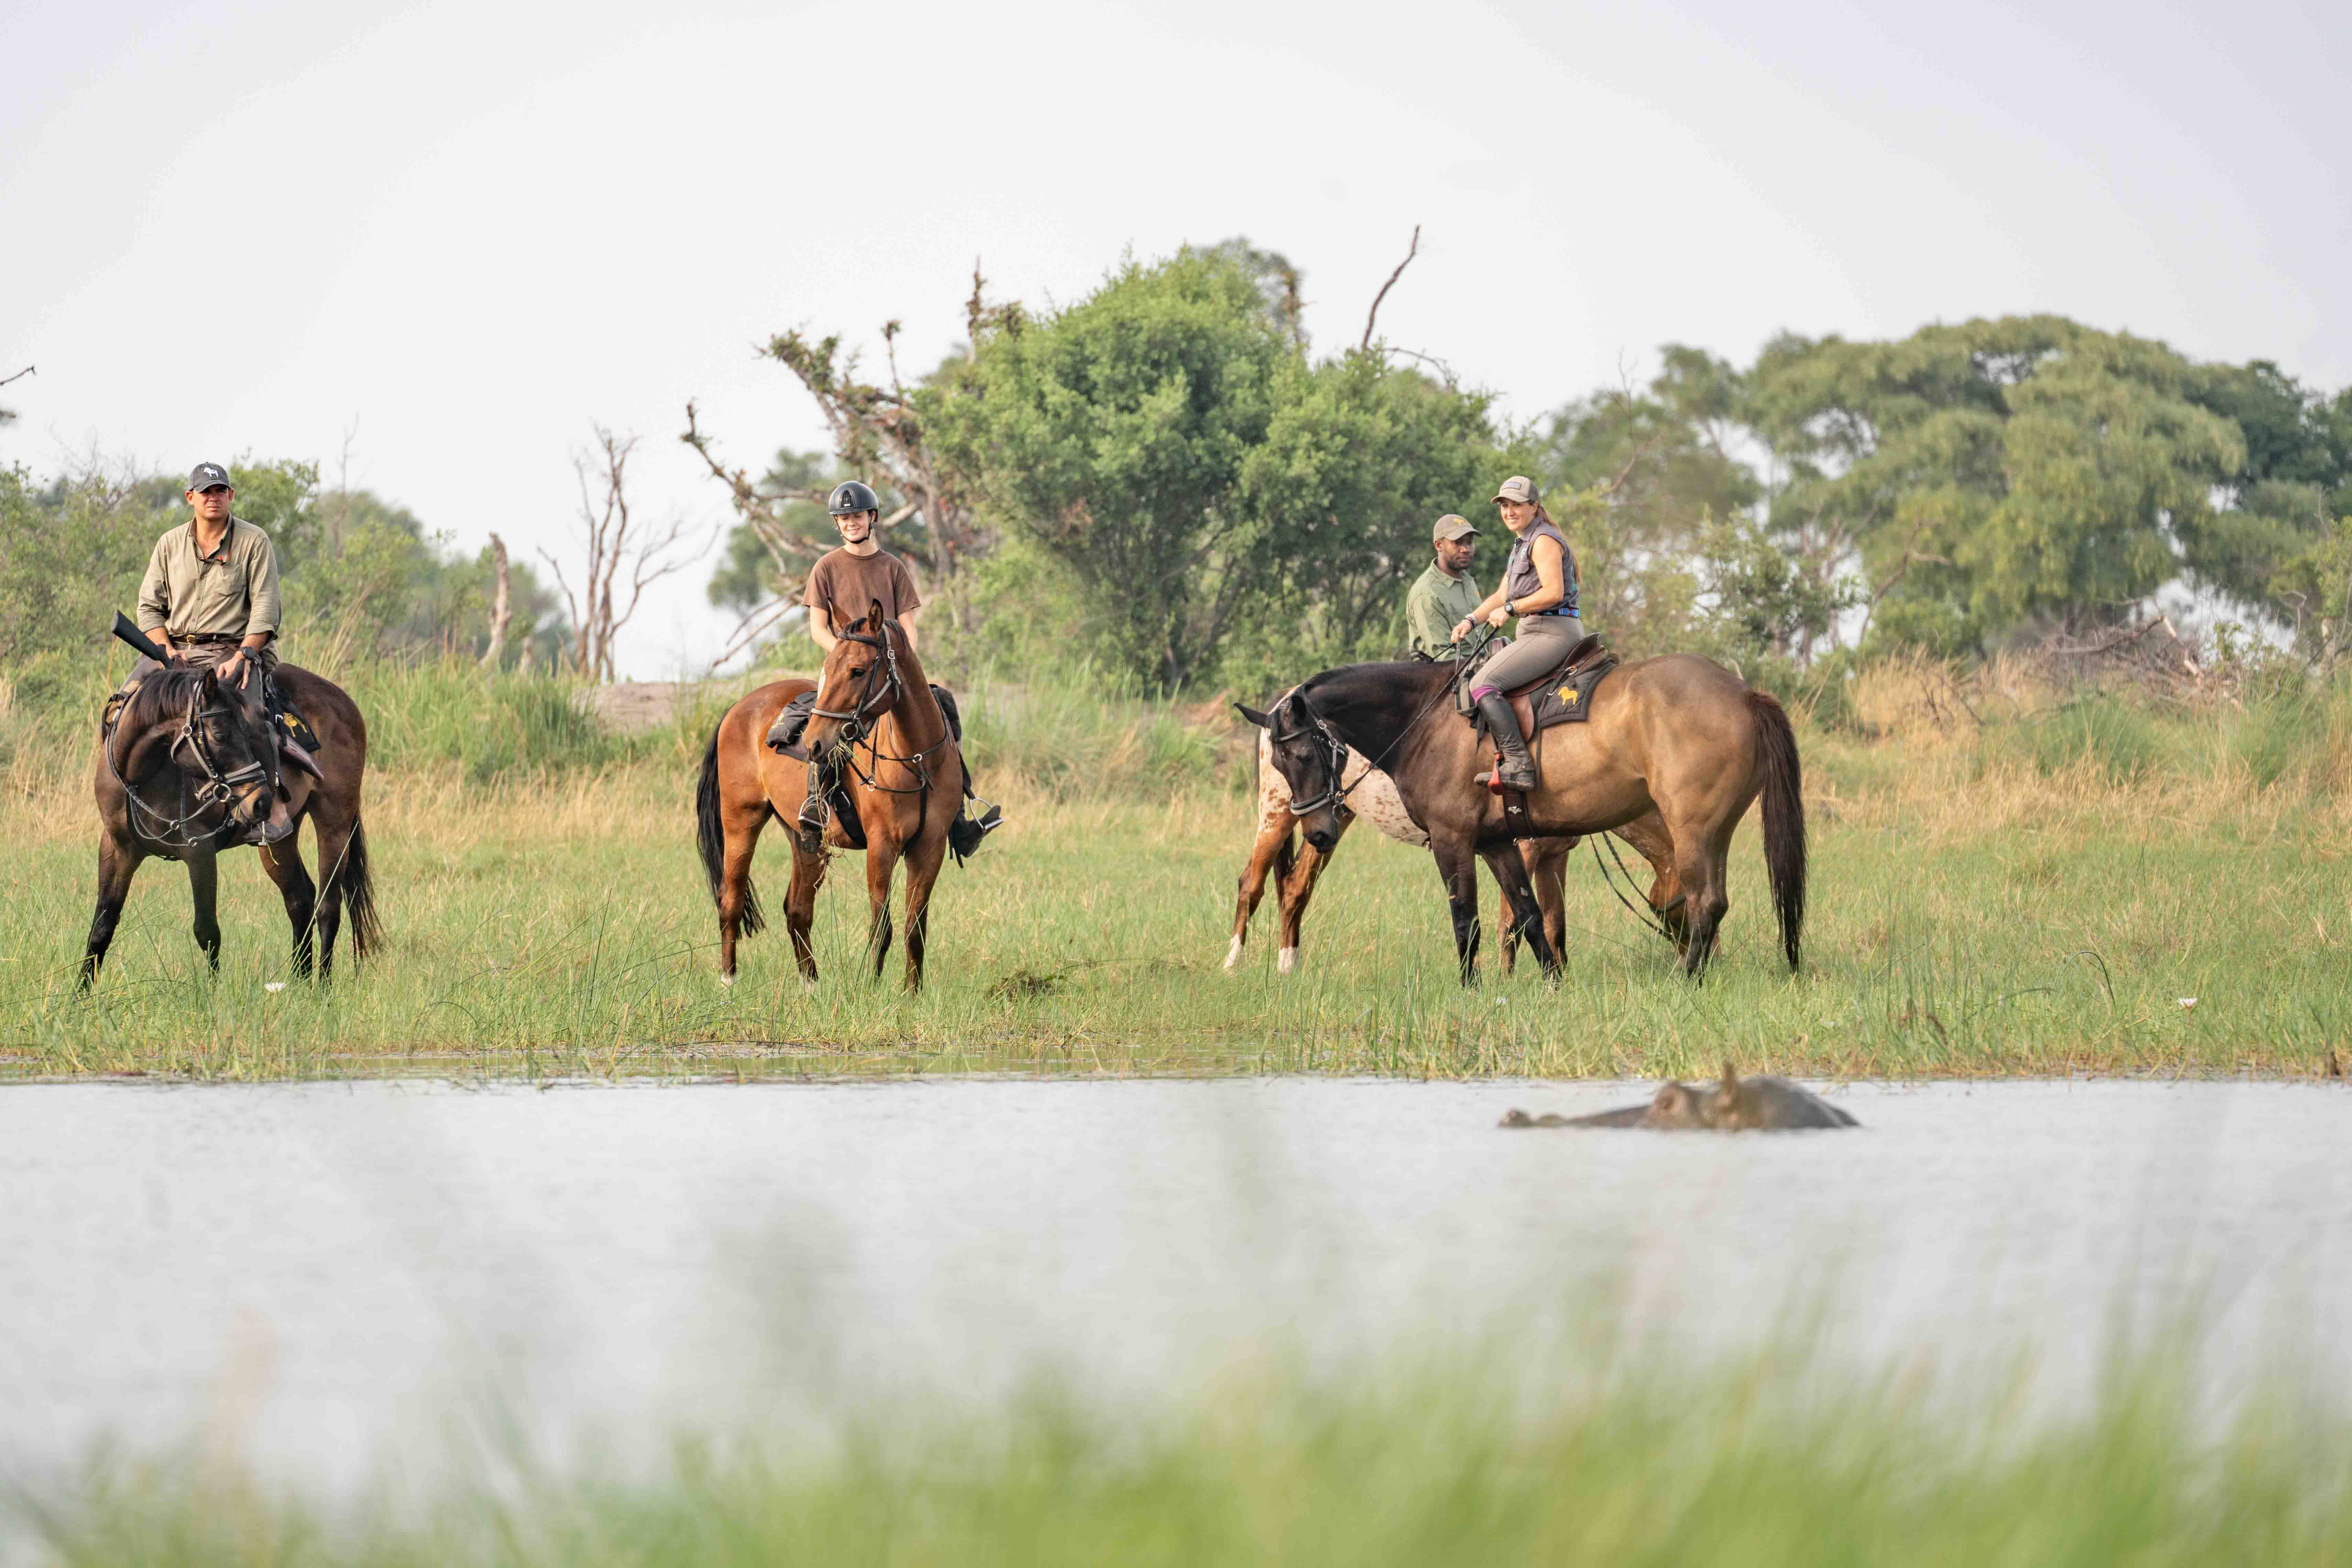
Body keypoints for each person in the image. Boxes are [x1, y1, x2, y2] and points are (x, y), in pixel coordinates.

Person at [1448, 475, 1583, 791]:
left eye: (1517, 506)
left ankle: (1519, 765)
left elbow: (1553, 592)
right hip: (1533, 631)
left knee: (1482, 683)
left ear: (1534, 507)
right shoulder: (1522, 543)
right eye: (1504, 506)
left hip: (1552, 632)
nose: (1509, 512)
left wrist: (1511, 610)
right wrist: (1471, 620)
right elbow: (1500, 595)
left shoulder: (1544, 540)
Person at [134, 461, 282, 691]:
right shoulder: (168, 544)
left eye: (220, 491)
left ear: (230, 495)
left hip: (228, 652)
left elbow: (266, 610)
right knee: (119, 711)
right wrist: (166, 649)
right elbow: (149, 608)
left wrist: (243, 656)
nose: (213, 498)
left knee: (248, 719)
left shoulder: (255, 541)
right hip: (173, 652)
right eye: (205, 491)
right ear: (190, 497)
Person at [804, 480, 921, 652]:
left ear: (872, 517)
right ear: (837, 520)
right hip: (845, 663)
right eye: (844, 518)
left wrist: (903, 659)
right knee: (824, 681)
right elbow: (818, 631)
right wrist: (849, 655)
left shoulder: (893, 567)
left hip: (888, 661)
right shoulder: (824, 568)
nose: (851, 523)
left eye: (858, 516)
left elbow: (909, 629)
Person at [1403, 514, 1485, 660]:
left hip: (1478, 667)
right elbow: (1443, 657)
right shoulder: (1427, 593)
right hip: (1448, 677)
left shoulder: (1467, 581)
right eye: (1458, 543)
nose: (1466, 549)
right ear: (1439, 545)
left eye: (1470, 542)